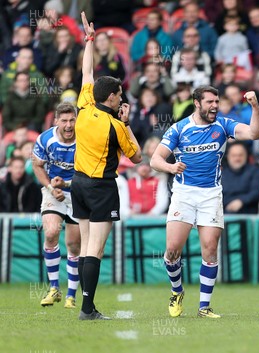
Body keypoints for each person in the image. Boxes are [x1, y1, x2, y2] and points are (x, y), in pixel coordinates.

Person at [150, 85, 259, 319]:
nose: (214, 106)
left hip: (211, 194)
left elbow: (254, 133)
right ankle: (177, 291)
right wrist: (171, 167)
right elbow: (155, 160)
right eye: (210, 102)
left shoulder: (223, 125)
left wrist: (254, 106)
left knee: (210, 249)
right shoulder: (179, 129)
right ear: (197, 103)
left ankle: (204, 306)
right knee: (172, 250)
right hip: (184, 194)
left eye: (216, 102)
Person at [71, 12, 142, 321]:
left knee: (86, 244)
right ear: (111, 97)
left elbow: (87, 72)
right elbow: (137, 157)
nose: (122, 97)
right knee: (95, 249)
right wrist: (127, 125)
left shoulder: (84, 106)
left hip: (78, 183)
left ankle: (83, 303)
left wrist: (89, 40)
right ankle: (87, 308)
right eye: (119, 94)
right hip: (101, 187)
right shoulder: (115, 125)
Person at [32, 102, 80, 309]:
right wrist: (52, 188)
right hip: (53, 191)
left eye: (72, 120)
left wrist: (68, 184)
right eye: (65, 121)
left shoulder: (85, 139)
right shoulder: (45, 139)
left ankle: (71, 295)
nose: (69, 125)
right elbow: (37, 165)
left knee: (74, 245)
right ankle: (54, 288)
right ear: (56, 121)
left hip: (79, 193)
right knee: (51, 232)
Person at [222, 142, 259, 214]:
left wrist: (241, 201)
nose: (237, 158)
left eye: (240, 155)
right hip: (225, 214)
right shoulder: (221, 173)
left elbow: (255, 193)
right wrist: (230, 204)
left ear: (246, 156)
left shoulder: (254, 171)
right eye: (234, 155)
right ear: (227, 156)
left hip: (248, 213)